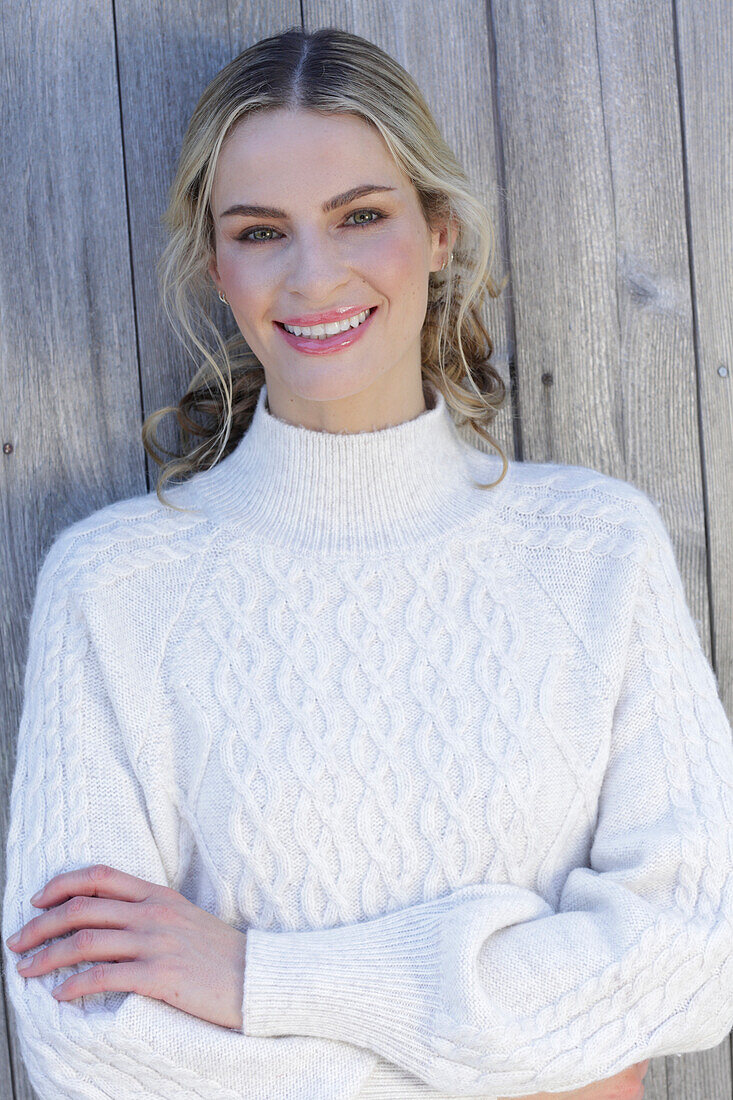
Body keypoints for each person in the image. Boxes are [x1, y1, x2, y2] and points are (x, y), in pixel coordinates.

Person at [3, 24, 731, 1100]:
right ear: (217, 262)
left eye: (360, 216)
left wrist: (256, 977)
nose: (314, 273)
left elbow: (691, 951)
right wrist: (539, 1059)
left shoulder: (596, 554)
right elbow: (88, 1042)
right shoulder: (111, 590)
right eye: (261, 230)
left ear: (438, 231)